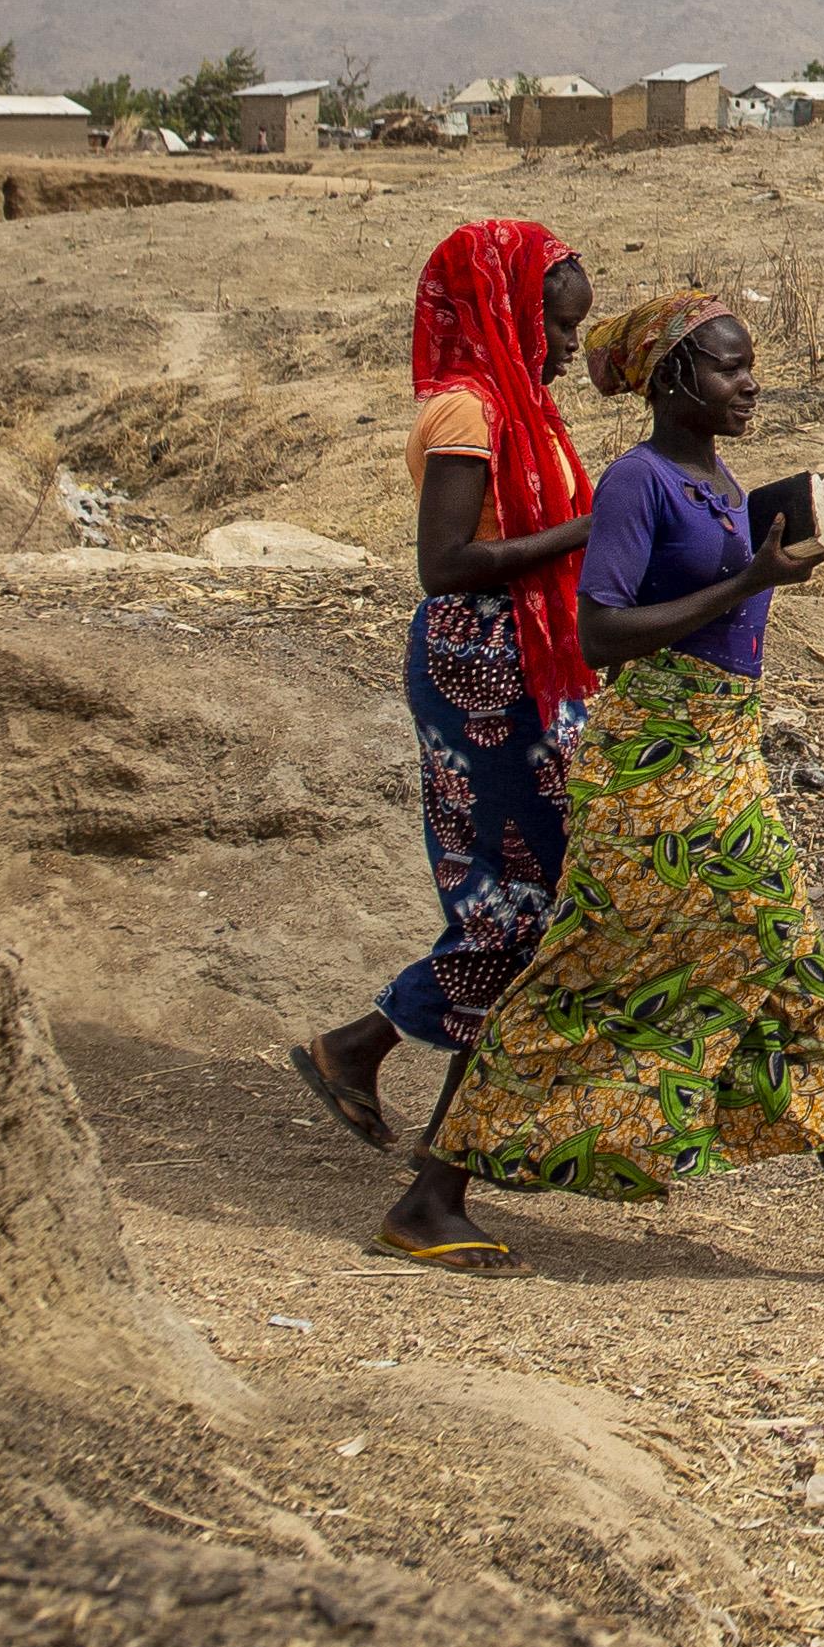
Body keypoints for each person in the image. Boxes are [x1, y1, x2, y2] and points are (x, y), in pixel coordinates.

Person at [374, 289, 824, 1279]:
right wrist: (749, 582)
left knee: (787, 970)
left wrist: (767, 553)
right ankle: (428, 1195)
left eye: (750, 364)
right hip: (656, 768)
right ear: (671, 379)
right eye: (728, 366)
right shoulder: (638, 481)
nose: (751, 381)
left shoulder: (716, 479)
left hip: (721, 752)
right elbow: (600, 630)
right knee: (591, 973)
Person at [291, 219, 604, 1154]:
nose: (566, 346)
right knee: (519, 899)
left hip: (527, 656)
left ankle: (375, 1064)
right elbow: (446, 562)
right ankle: (418, 1116)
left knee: (536, 892)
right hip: (483, 661)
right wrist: (589, 530)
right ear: (506, 313)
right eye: (555, 326)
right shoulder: (470, 411)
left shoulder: (521, 407)